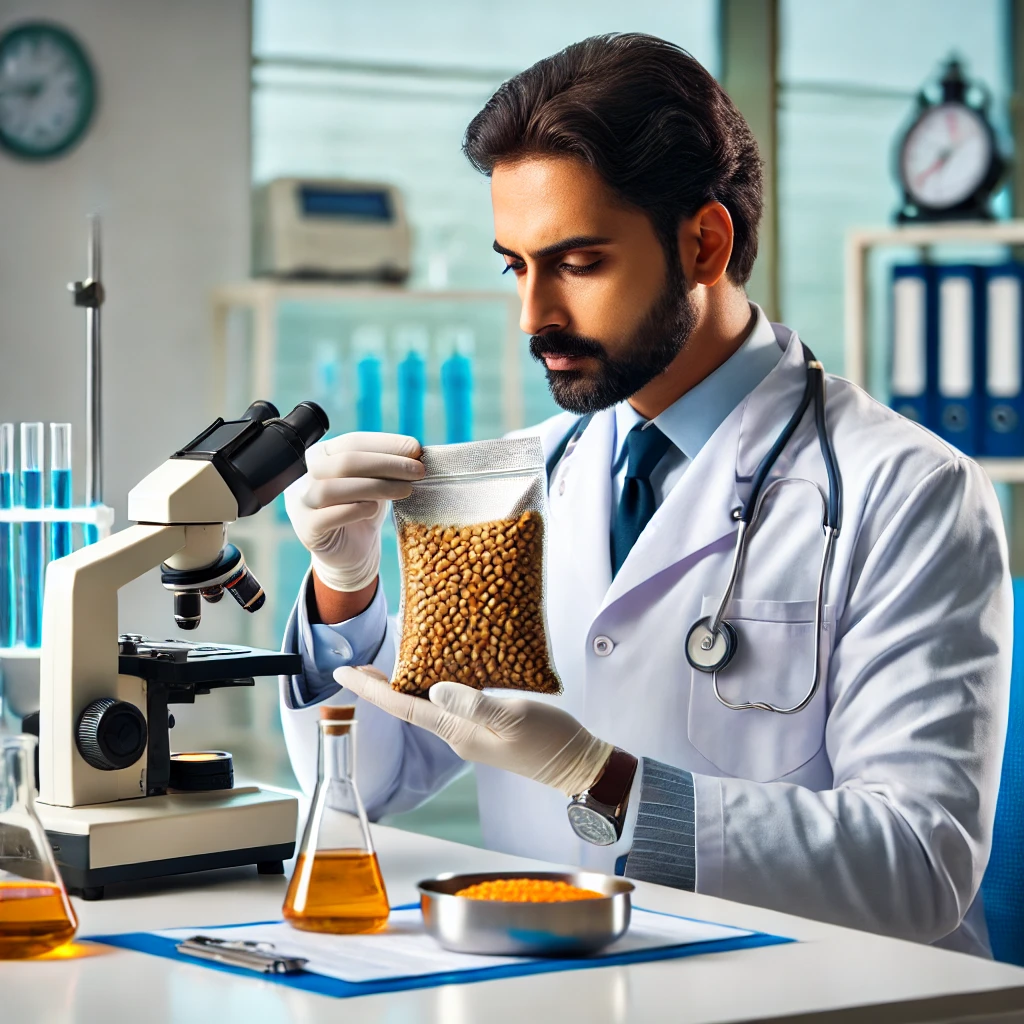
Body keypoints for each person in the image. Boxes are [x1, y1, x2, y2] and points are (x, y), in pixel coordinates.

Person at [279, 33, 1011, 956]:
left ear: (706, 243)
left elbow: (917, 867)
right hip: (551, 981)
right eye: (517, 264)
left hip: (811, 996)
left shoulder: (908, 491)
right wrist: (345, 588)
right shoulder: (526, 480)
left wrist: (605, 779)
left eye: (579, 264)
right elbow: (372, 787)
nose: (533, 315)